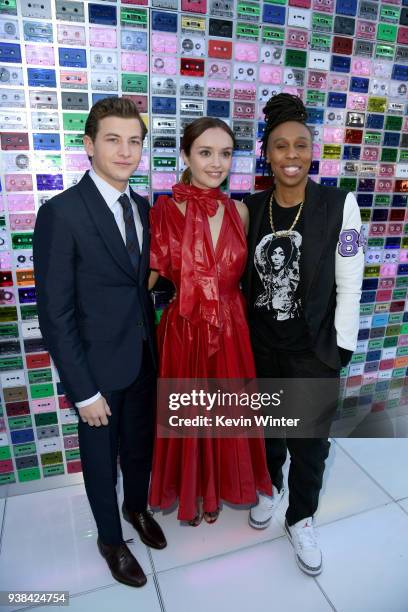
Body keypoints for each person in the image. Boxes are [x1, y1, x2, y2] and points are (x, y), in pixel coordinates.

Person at [33, 97, 166, 589]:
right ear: (89, 145)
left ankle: (136, 509)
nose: (125, 151)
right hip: (95, 373)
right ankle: (110, 539)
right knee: (98, 463)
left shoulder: (145, 207)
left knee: (139, 451)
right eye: (113, 139)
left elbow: (141, 283)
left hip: (142, 360)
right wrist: (83, 390)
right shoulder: (61, 213)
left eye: (134, 141)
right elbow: (56, 312)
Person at [242, 93, 364, 576]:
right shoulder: (251, 207)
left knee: (309, 442)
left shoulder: (339, 205)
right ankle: (270, 489)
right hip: (262, 345)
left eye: (300, 145)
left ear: (311, 150)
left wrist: (342, 347)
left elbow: (351, 280)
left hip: (315, 348)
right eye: (280, 146)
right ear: (266, 154)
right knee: (268, 431)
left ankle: (302, 516)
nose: (291, 155)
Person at [148, 117, 272, 525]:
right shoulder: (163, 212)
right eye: (205, 152)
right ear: (185, 155)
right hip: (184, 329)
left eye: (224, 153)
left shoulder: (241, 211)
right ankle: (192, 493)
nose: (216, 163)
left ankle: (215, 490)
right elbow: (144, 281)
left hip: (231, 328)